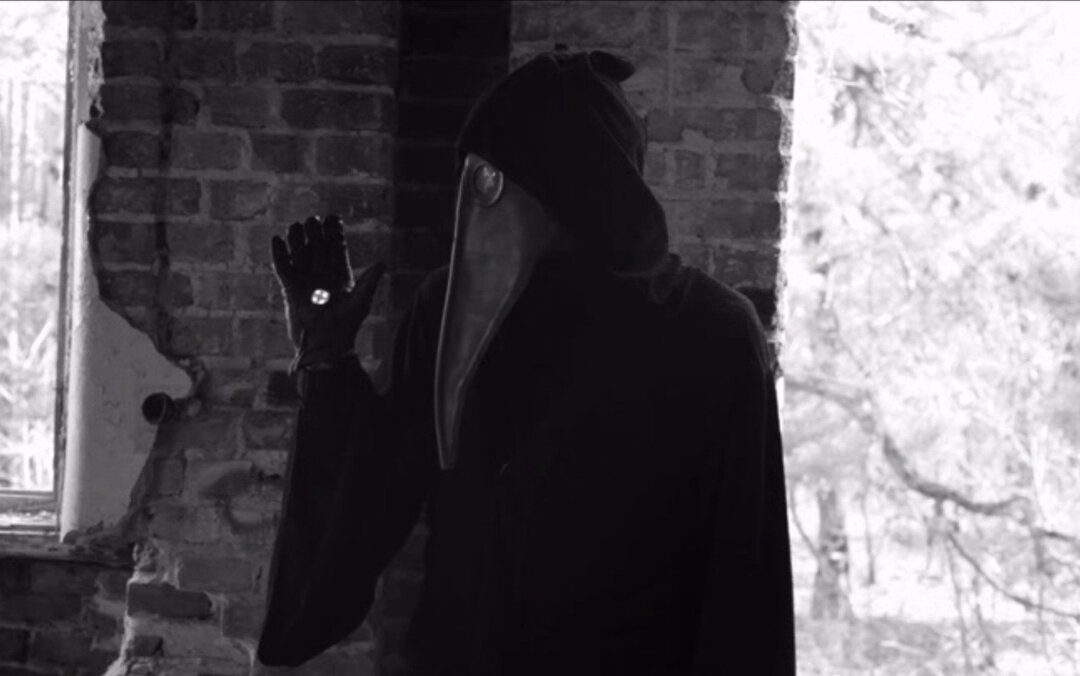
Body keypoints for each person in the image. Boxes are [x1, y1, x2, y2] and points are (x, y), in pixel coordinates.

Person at [256, 49, 796, 675]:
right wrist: (327, 359)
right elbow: (370, 503)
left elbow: (742, 573)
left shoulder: (710, 331)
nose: (478, 206)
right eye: (474, 178)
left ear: (574, 183)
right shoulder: (451, 310)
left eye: (496, 181)